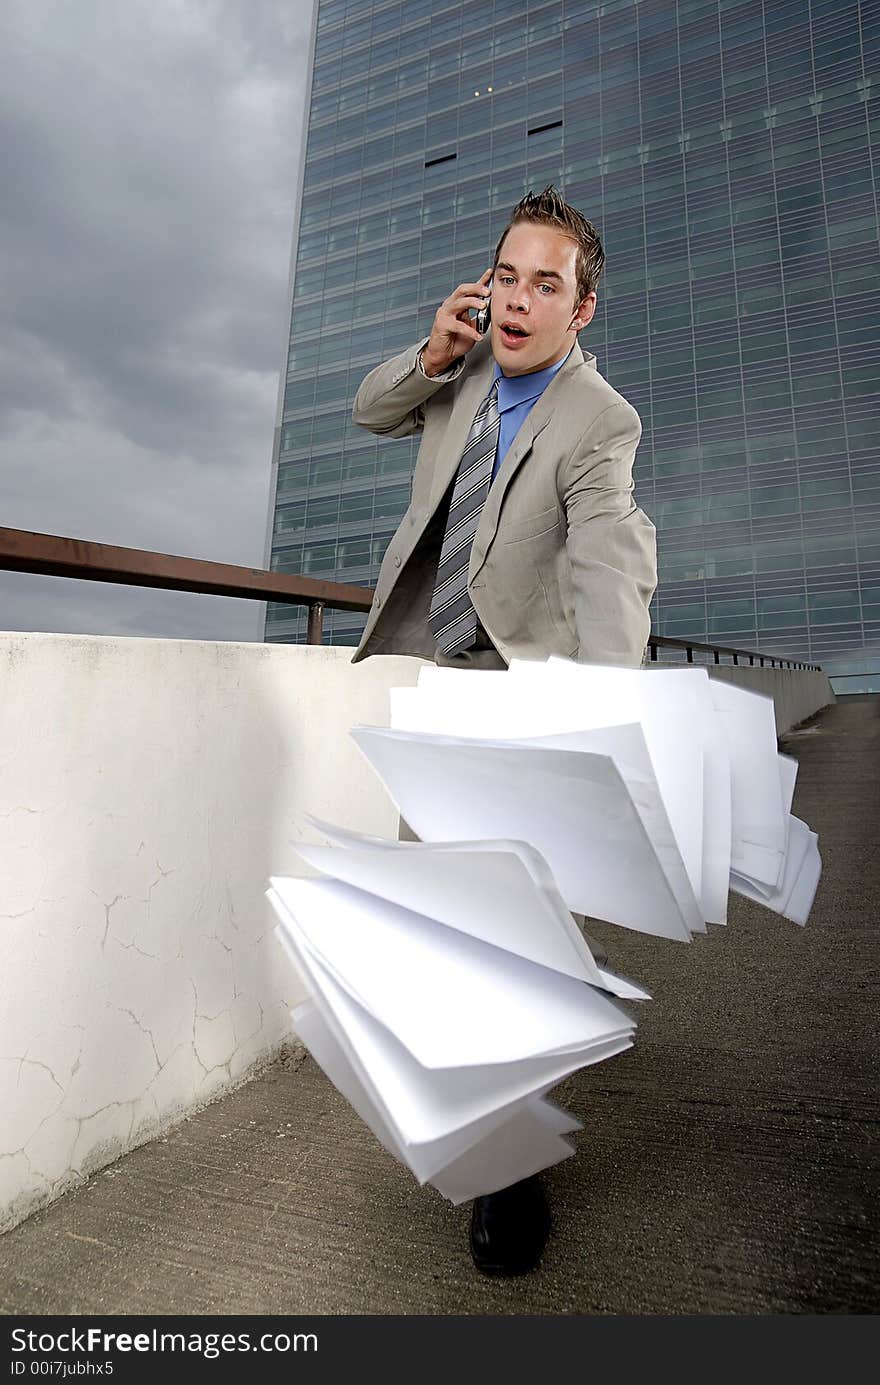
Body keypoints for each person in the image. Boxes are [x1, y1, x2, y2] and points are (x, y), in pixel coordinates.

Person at [349, 187, 658, 1274]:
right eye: (508, 276)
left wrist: (602, 711)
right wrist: (430, 351)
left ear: (582, 311)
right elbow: (369, 413)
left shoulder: (599, 419)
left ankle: (506, 1172)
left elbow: (613, 565)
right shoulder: (465, 366)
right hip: (441, 686)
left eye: (547, 284)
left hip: (531, 696)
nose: (520, 301)